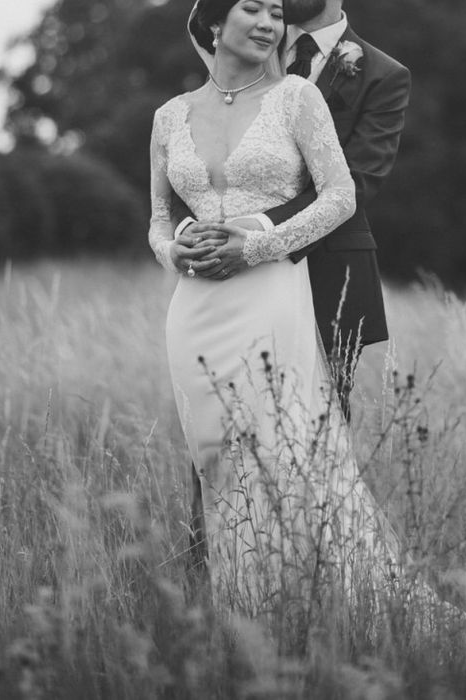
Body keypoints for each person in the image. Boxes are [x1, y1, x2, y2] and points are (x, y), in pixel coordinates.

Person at [149, 0, 405, 618]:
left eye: (274, 12)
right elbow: (163, 214)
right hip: (201, 300)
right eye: (252, 9)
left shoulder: (358, 77)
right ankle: (226, 598)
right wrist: (180, 248)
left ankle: (321, 602)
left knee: (303, 448)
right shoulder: (171, 114)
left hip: (307, 278)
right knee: (212, 452)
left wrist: (254, 239)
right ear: (213, 24)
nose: (268, 21)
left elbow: (354, 185)